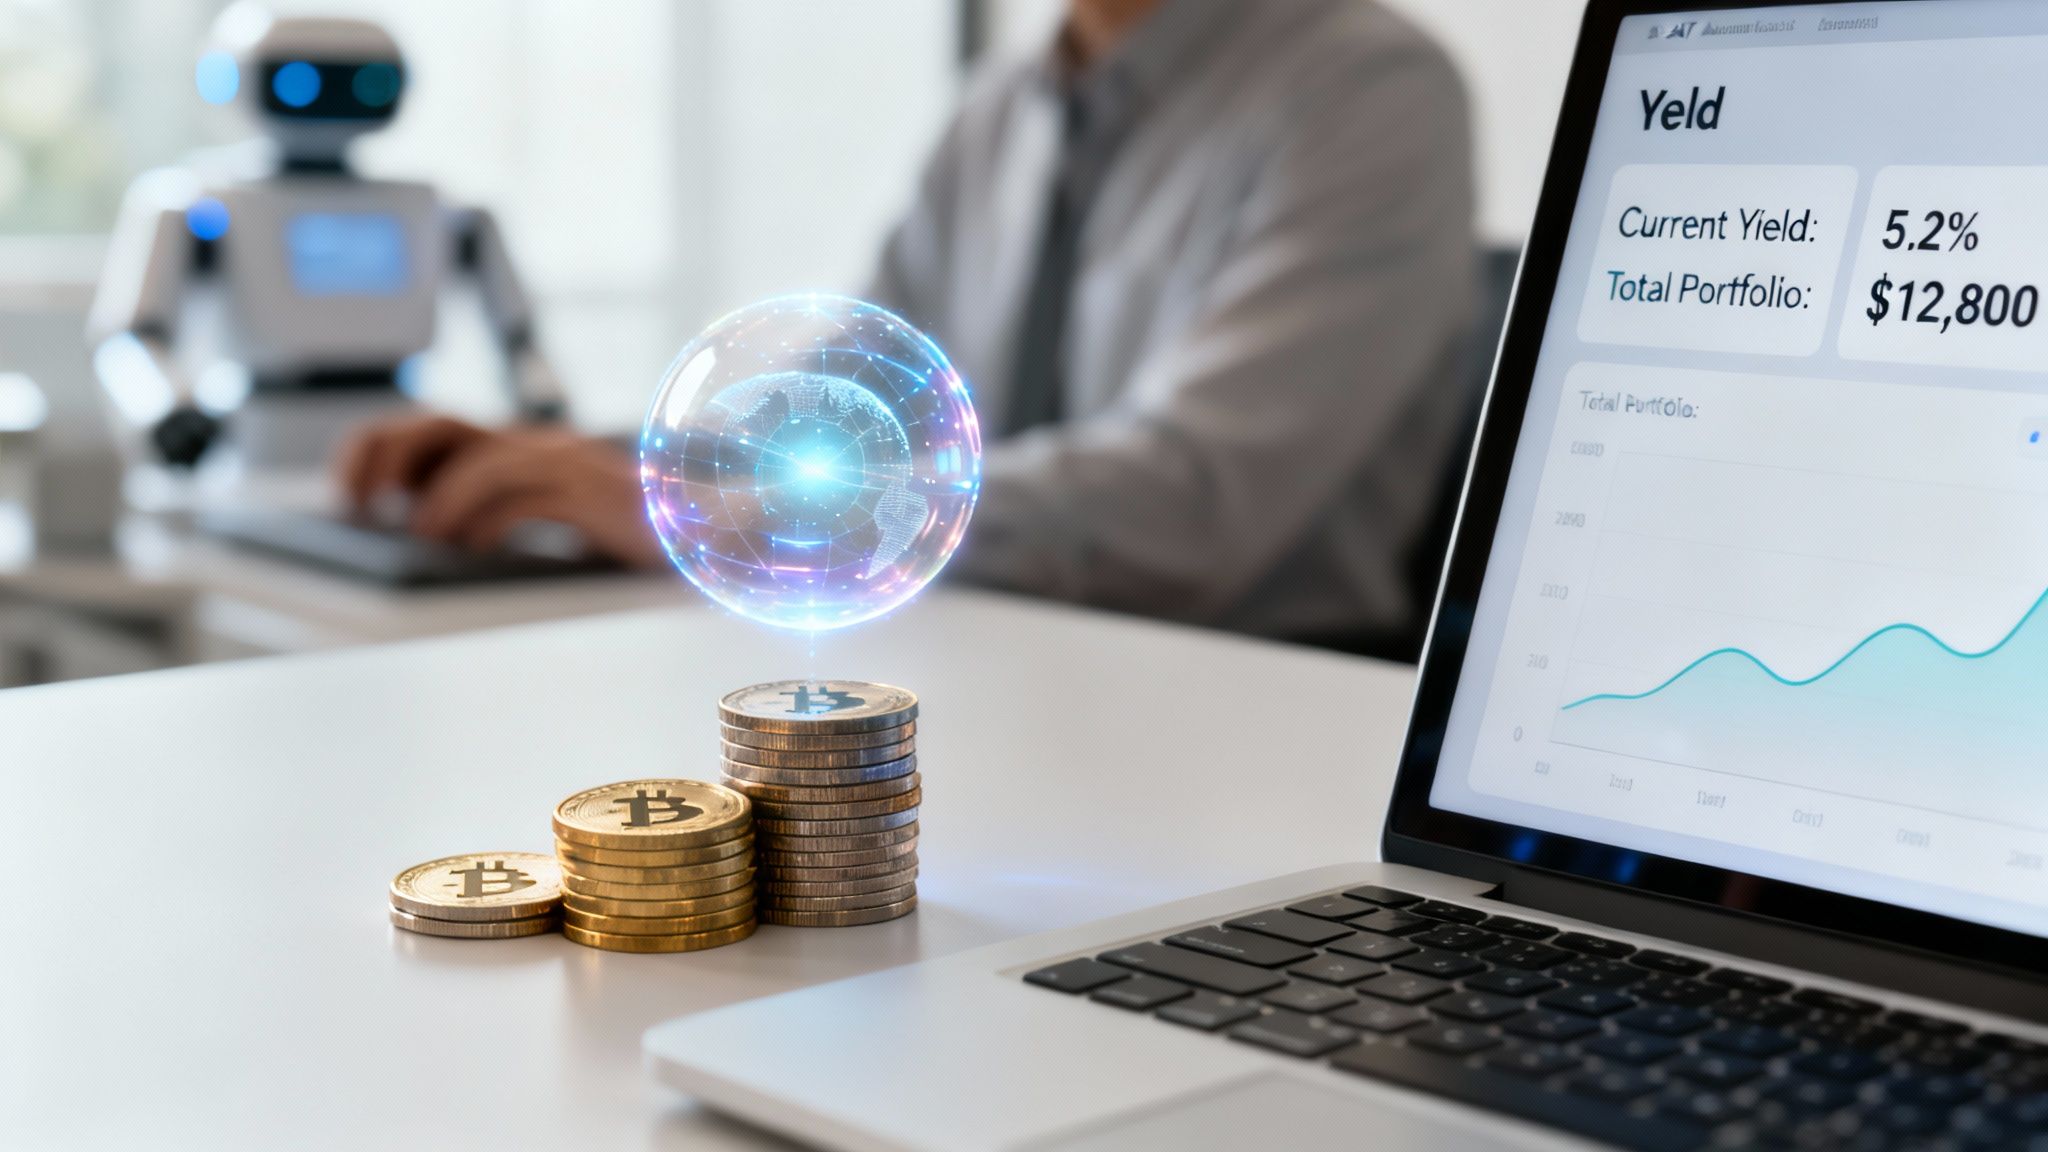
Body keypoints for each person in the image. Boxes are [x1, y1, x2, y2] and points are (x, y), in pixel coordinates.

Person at [339, 0, 1476, 646]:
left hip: (1226, 702)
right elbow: (842, 404)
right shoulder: (996, 110)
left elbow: (1189, 502)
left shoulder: (1369, 90)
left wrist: (704, 512)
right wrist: (611, 465)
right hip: (977, 658)